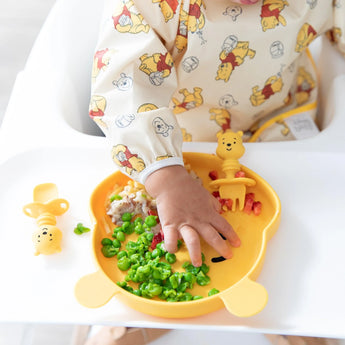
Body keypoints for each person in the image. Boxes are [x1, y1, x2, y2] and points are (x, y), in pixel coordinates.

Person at [89, 0, 345, 267]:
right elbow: (126, 88)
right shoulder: (147, 6)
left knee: (304, 241)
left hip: (279, 121)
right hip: (179, 143)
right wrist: (166, 181)